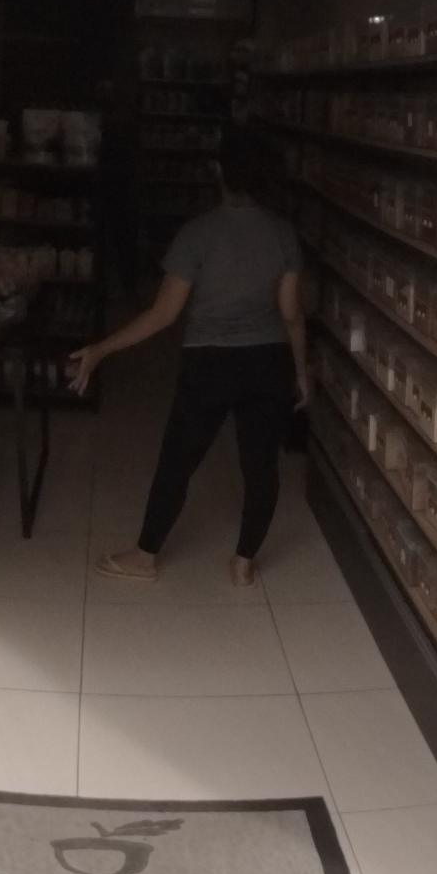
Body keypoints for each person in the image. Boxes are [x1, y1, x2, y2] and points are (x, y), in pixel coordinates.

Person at [71, 130, 307, 588]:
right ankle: (244, 563)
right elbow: (291, 313)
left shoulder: (196, 234)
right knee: (261, 467)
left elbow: (162, 315)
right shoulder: (283, 233)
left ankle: (145, 556)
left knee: (178, 461)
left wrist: (101, 349)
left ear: (218, 172)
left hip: (209, 364)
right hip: (268, 362)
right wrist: (301, 371)